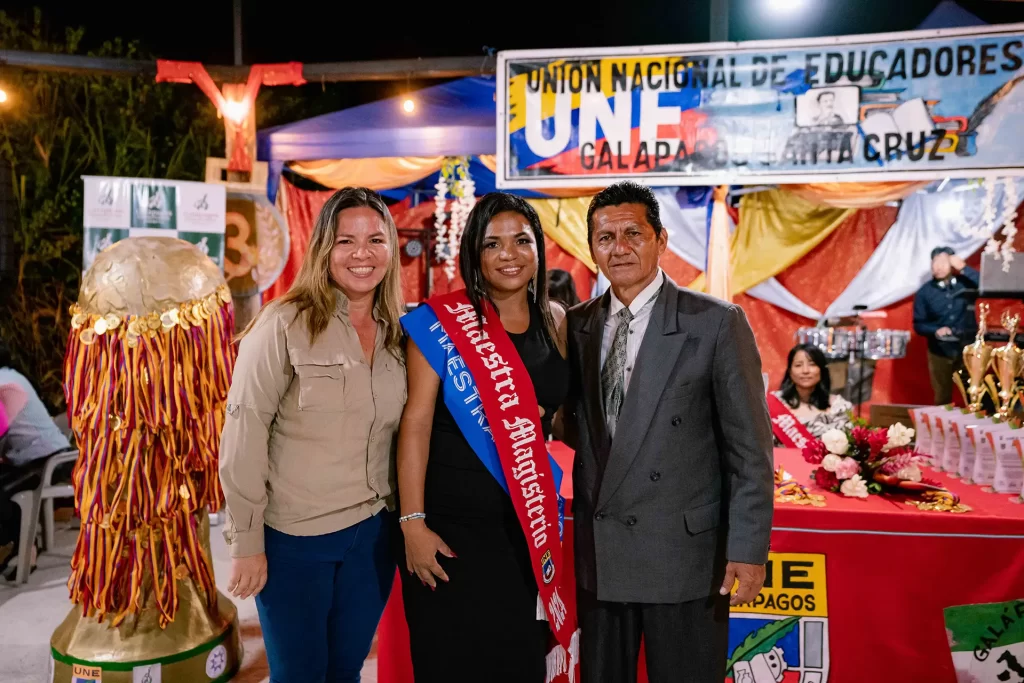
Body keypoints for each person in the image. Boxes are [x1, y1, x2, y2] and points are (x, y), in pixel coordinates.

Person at [559, 181, 774, 683]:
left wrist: (747, 549)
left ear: (662, 240)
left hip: (684, 556)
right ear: (591, 249)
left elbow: (750, 451)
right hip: (602, 550)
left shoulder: (715, 323)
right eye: (605, 237)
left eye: (633, 233)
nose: (619, 247)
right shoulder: (577, 324)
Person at [219, 187, 406, 683]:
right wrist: (246, 542)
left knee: (345, 672)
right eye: (346, 241)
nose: (361, 254)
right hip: (294, 541)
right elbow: (243, 433)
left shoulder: (402, 334)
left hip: (372, 538)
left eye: (375, 240)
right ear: (324, 248)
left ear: (391, 248)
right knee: (300, 675)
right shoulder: (283, 324)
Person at [397, 193, 570, 682]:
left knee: (516, 665)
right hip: (449, 533)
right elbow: (416, 422)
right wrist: (413, 524)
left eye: (522, 241)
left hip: (524, 530)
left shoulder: (557, 321)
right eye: (492, 244)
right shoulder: (441, 324)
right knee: (451, 666)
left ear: (539, 249)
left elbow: (556, 417)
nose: (509, 254)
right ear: (474, 253)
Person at [0, 341, 73, 580]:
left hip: (46, 459)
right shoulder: (9, 376)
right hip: (37, 457)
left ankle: (25, 548)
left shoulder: (4, 384)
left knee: (4, 490)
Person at [913, 246, 979, 405]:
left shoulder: (965, 283)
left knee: (974, 395)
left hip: (967, 349)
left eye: (943, 261)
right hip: (939, 351)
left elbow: (988, 285)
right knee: (942, 397)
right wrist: (936, 330)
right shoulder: (924, 292)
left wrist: (963, 267)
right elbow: (918, 324)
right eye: (934, 262)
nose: (938, 266)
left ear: (952, 263)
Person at [767, 344, 853, 448]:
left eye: (812, 364)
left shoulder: (839, 407)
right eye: (798, 365)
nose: (805, 371)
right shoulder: (772, 403)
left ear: (822, 369)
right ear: (789, 371)